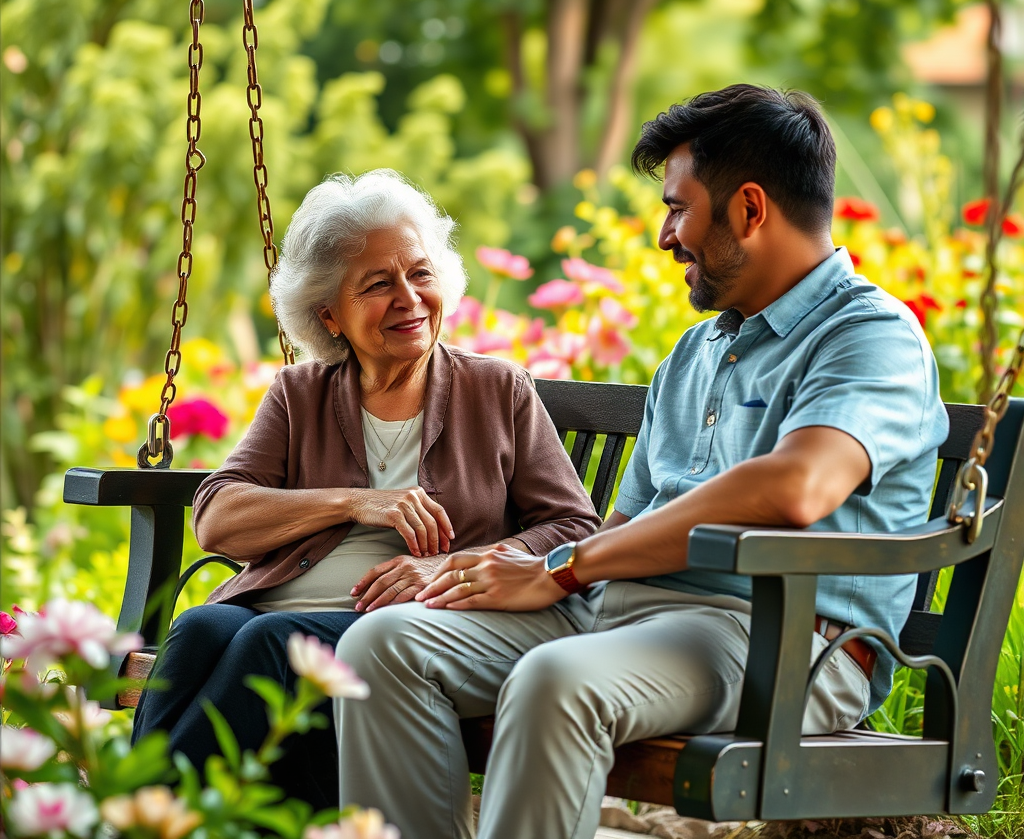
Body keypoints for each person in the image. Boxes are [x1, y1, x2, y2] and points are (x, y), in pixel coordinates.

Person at [334, 85, 950, 839]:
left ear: (750, 210)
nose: (665, 234)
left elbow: (798, 485)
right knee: (380, 646)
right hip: (622, 614)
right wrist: (524, 575)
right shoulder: (697, 351)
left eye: (678, 207)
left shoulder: (869, 334)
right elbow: (628, 519)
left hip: (778, 641)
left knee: (558, 682)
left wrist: (564, 568)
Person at [131, 169, 600, 808]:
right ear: (330, 314)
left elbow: (574, 530)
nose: (408, 297)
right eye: (378, 284)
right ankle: (157, 814)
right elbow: (217, 518)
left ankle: (140, 815)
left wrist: (445, 568)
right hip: (276, 615)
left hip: (404, 631)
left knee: (269, 644)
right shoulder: (301, 394)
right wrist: (355, 501)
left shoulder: (496, 390)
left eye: (420, 273)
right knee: (202, 628)